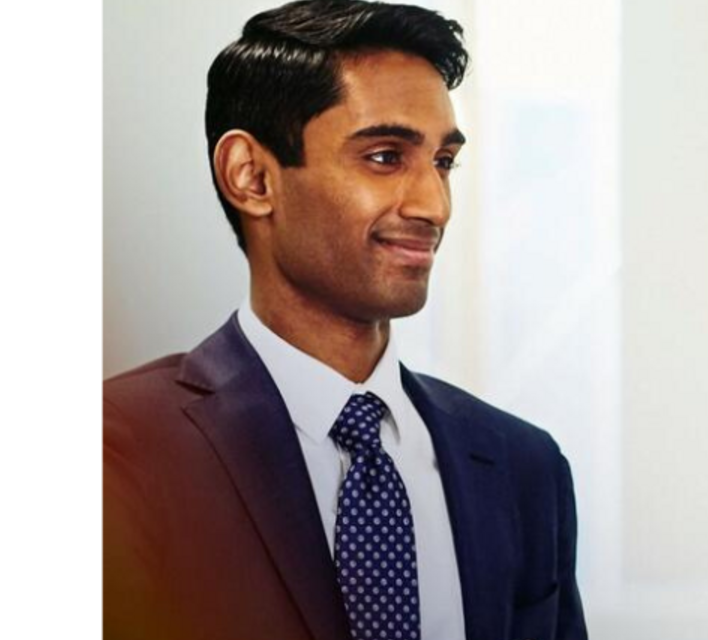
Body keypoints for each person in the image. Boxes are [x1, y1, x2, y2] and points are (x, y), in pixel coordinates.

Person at [98, 1, 587, 639]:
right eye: (385, 157)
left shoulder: (526, 468)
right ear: (251, 177)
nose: (434, 205)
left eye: (443, 162)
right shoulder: (126, 450)